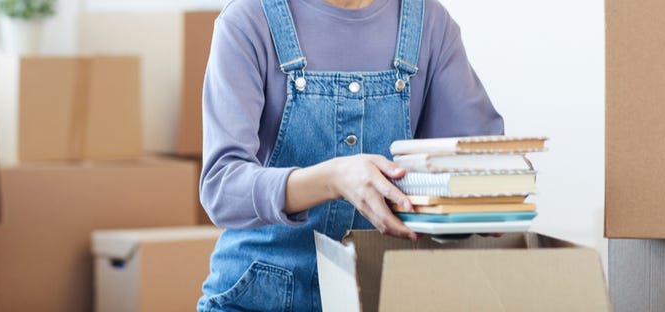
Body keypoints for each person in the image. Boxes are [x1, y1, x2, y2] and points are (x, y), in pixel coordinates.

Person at [197, 0, 503, 310]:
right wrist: (333, 179)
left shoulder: (428, 23)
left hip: (375, 294)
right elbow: (221, 188)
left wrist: (483, 199)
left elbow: (479, 161)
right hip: (255, 297)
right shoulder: (248, 20)